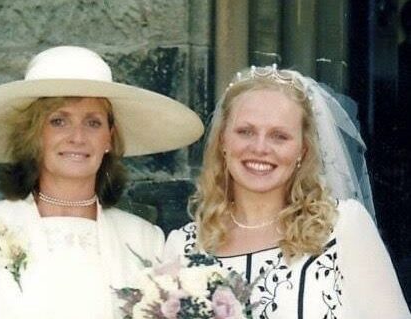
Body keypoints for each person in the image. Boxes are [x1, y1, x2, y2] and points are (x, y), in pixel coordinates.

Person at [0, 46, 204, 319]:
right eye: (58, 121)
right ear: (33, 135)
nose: (77, 137)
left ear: (109, 138)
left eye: (93, 122)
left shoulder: (145, 240)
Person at [163, 65, 411, 318]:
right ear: (223, 141)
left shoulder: (342, 225)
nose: (260, 148)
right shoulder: (184, 246)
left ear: (302, 151)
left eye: (279, 136)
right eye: (245, 131)